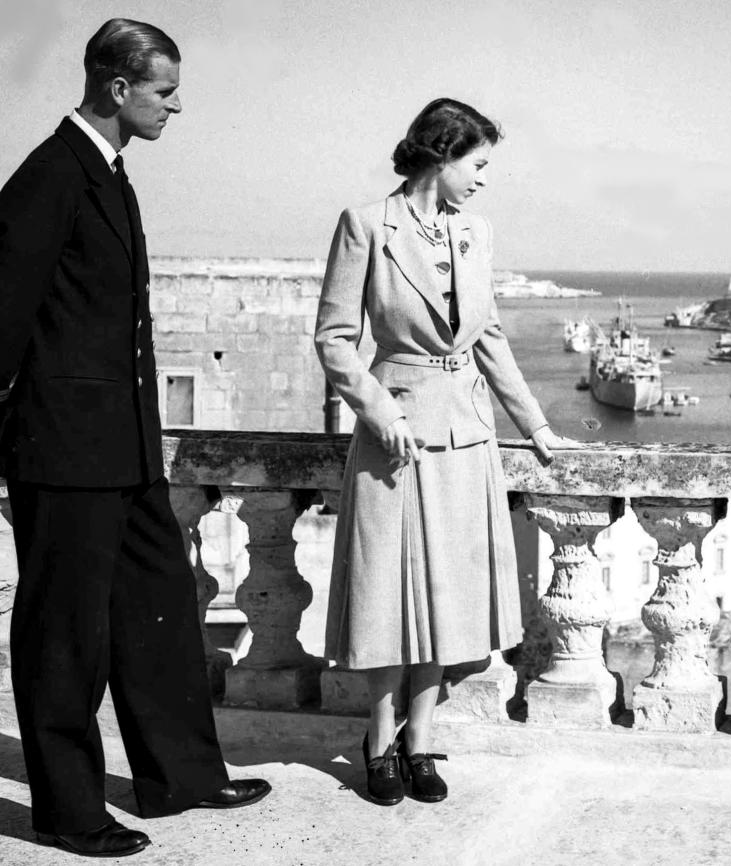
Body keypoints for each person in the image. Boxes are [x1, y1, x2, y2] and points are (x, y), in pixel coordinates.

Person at [0, 19, 269, 858]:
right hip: (64, 452)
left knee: (159, 611)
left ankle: (181, 775)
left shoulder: (108, 172)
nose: (175, 106)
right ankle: (68, 809)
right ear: (118, 88)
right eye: (163, 90)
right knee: (64, 635)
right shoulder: (50, 176)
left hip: (123, 448)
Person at [315, 97, 575, 806]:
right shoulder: (365, 225)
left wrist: (537, 426)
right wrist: (375, 409)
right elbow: (335, 340)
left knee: (446, 596)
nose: (483, 179)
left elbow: (486, 336)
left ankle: (420, 738)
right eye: (478, 163)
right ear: (441, 153)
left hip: (465, 437)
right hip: (394, 437)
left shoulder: (476, 232)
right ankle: (378, 737)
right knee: (386, 595)